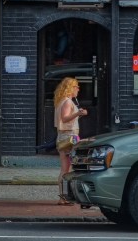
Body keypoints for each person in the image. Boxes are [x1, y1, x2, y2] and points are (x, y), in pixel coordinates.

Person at [54, 76, 87, 205]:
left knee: (65, 169)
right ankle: (64, 197)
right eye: (76, 86)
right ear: (71, 88)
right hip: (69, 137)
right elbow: (65, 118)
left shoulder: (60, 101)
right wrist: (78, 113)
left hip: (63, 136)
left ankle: (63, 197)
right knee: (66, 170)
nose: (78, 89)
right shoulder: (67, 102)